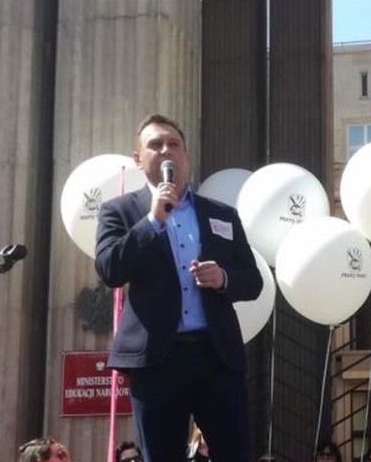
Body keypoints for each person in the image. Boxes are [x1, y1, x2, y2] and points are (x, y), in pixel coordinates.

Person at [95, 113, 264, 462]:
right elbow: (110, 269)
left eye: (173, 144)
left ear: (185, 156)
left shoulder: (221, 214)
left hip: (216, 356)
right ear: (138, 158)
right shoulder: (119, 211)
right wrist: (153, 220)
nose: (165, 150)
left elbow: (253, 280)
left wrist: (223, 278)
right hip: (157, 360)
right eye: (155, 145)